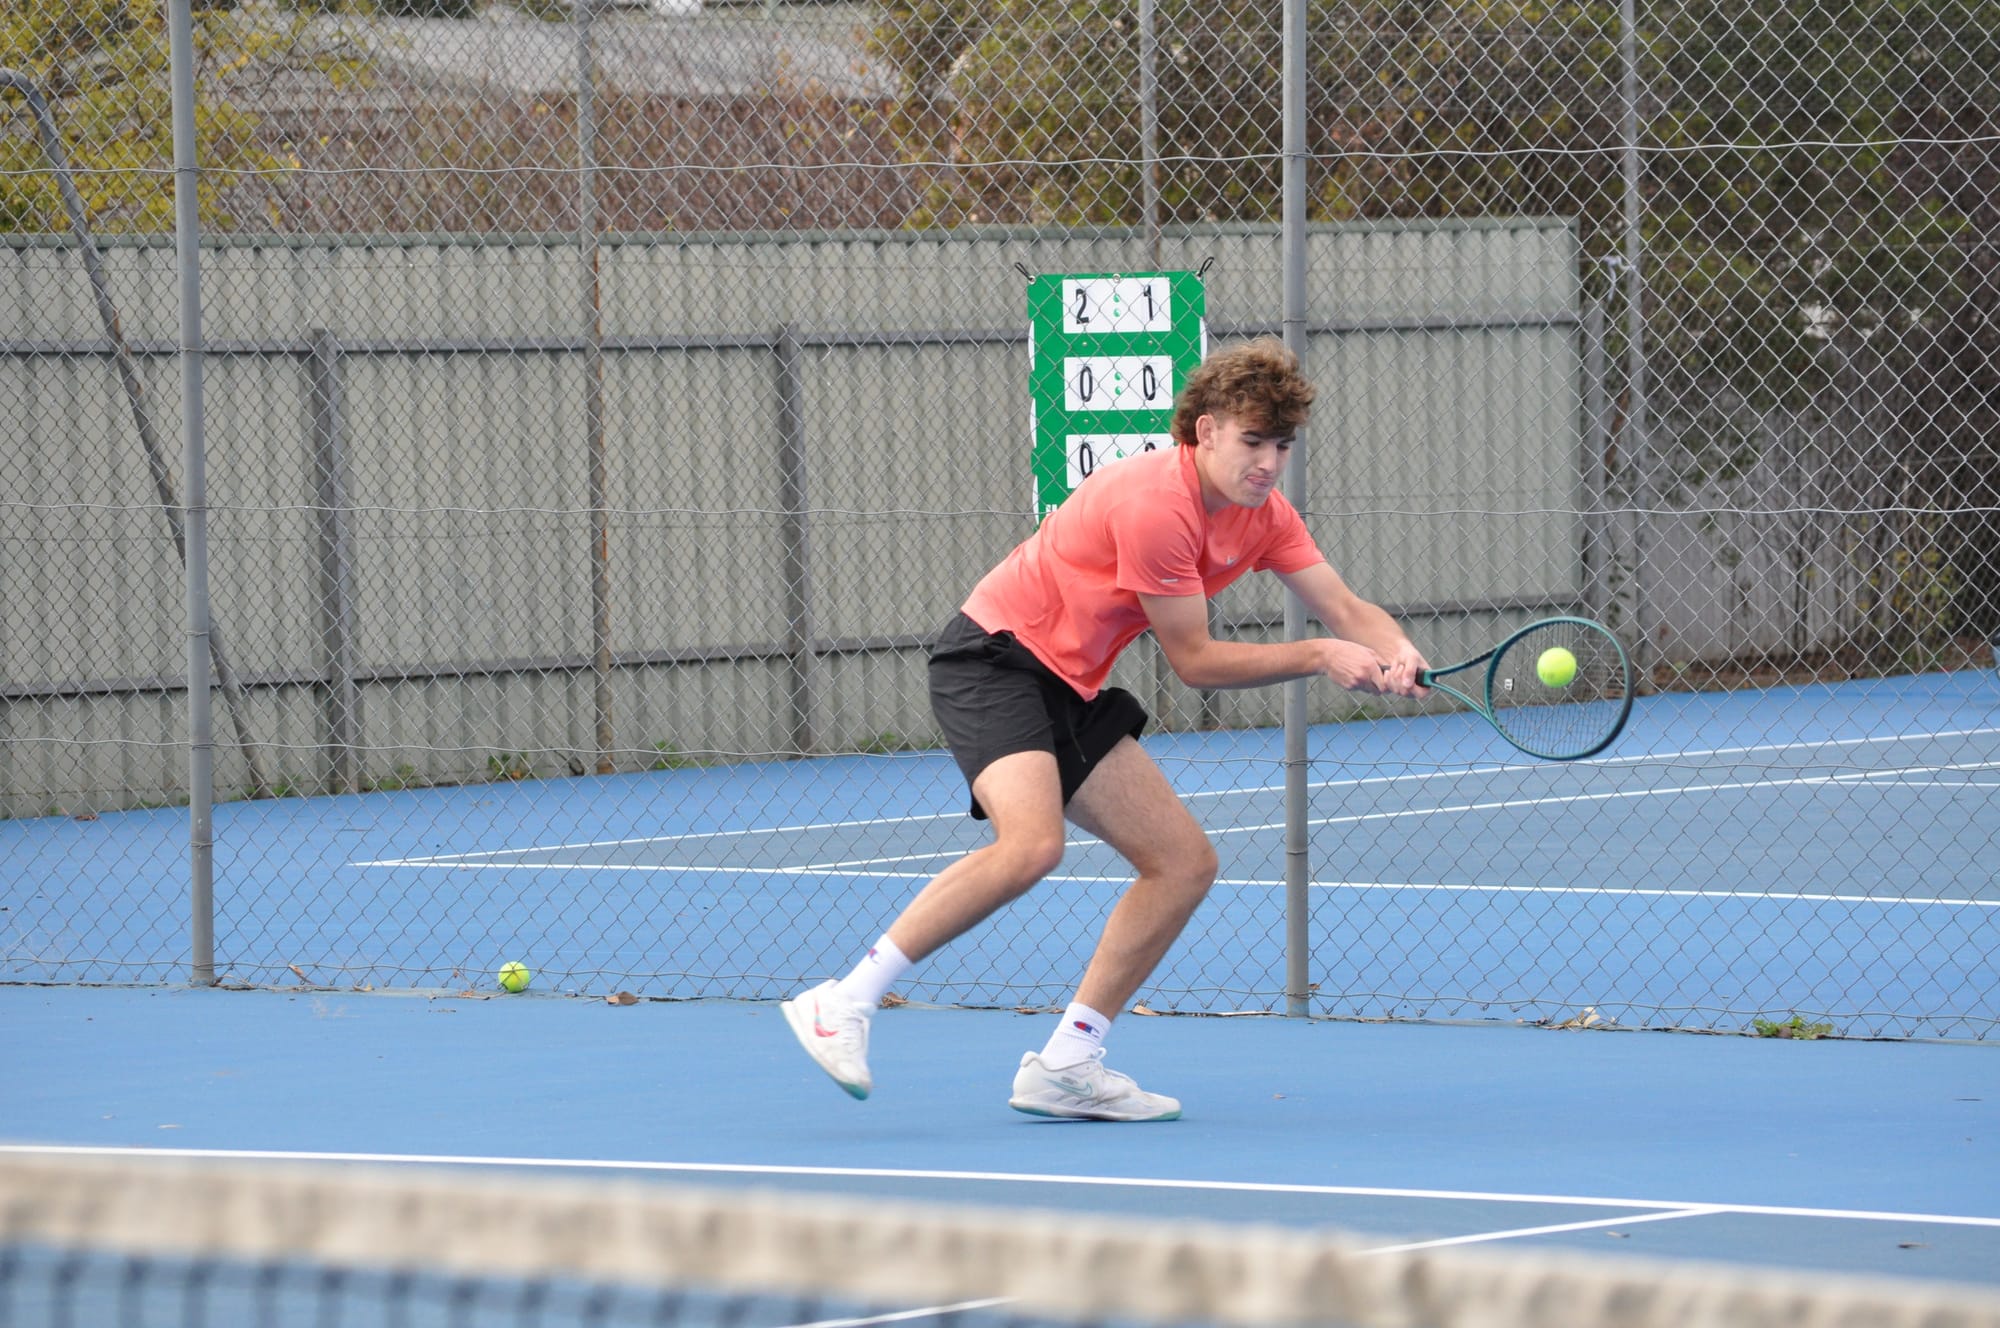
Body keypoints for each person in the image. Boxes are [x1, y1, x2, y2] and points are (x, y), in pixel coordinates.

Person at [780, 338, 1429, 1120]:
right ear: (1206, 431)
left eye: (1282, 446)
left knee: (1183, 863)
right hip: (994, 659)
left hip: (1070, 679)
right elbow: (1194, 660)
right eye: (1253, 441)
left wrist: (1394, 648)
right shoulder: (1156, 506)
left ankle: (1068, 1063)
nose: (1268, 462)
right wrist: (1323, 655)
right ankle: (844, 1002)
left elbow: (1347, 606)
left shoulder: (1265, 515)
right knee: (1031, 846)